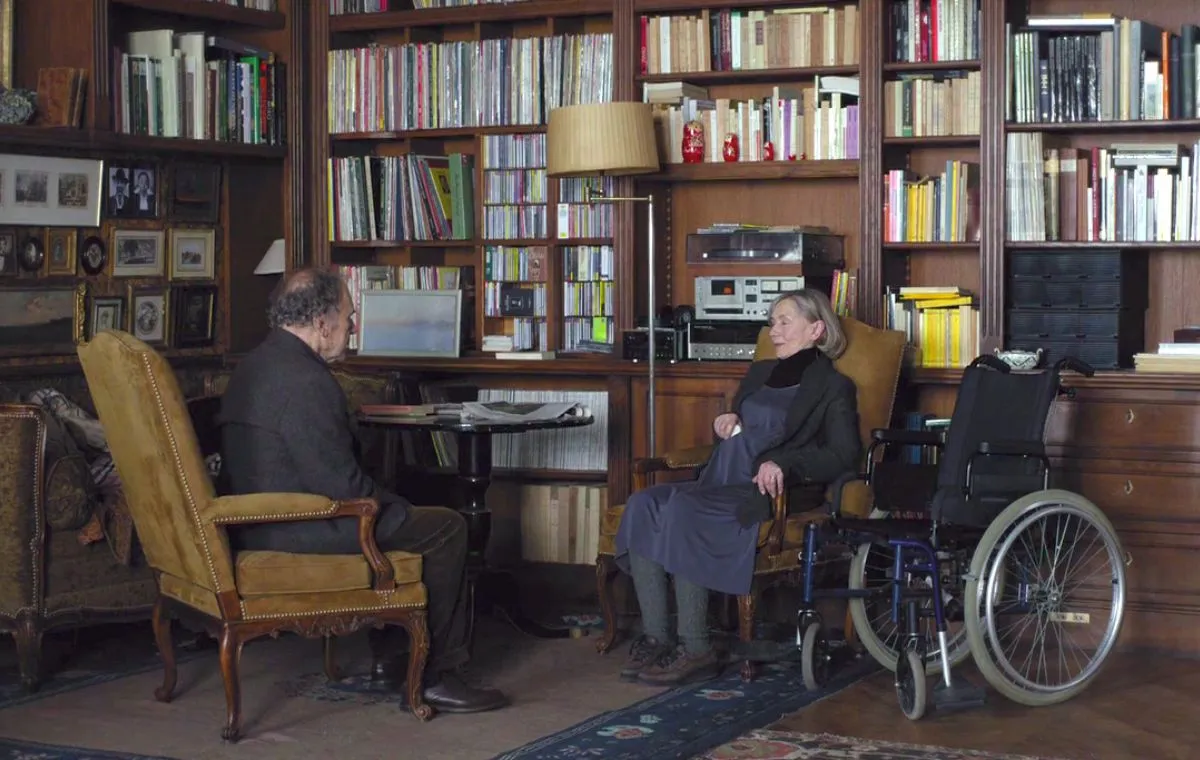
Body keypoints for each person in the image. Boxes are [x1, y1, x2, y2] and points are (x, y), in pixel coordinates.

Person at [217, 267, 508, 714]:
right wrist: (398, 506)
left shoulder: (257, 364)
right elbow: (344, 487)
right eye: (349, 315)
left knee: (408, 505)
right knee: (447, 527)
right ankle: (436, 676)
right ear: (322, 323)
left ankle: (392, 662)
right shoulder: (306, 382)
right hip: (300, 525)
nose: (353, 326)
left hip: (257, 520)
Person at [613, 289, 861, 686]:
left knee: (683, 510)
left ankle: (696, 647)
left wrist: (786, 464)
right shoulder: (761, 373)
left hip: (768, 490)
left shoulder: (833, 385)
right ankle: (658, 638)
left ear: (816, 329)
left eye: (784, 322)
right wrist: (726, 421)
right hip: (722, 475)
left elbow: (844, 454)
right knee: (644, 502)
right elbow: (744, 430)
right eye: (772, 322)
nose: (774, 330)